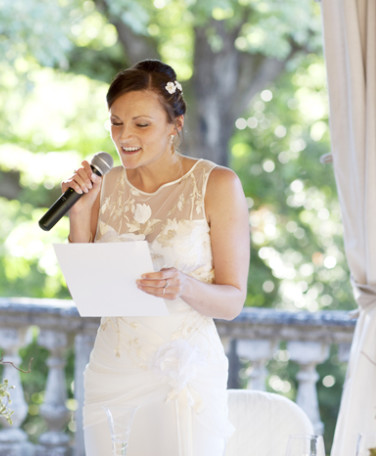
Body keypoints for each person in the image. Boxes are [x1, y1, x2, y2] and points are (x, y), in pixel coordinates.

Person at [62, 59, 250, 455]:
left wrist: (185, 286)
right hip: (112, 371)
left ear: (174, 126)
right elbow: (89, 295)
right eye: (116, 123)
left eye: (141, 124)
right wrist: (79, 214)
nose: (124, 136)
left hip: (183, 373)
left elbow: (233, 301)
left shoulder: (217, 184)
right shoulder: (103, 185)